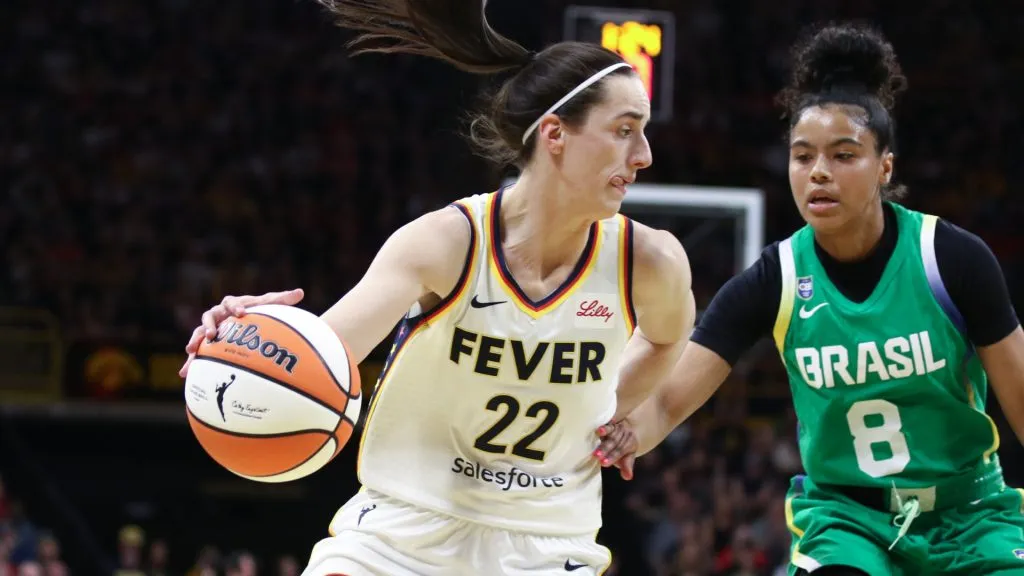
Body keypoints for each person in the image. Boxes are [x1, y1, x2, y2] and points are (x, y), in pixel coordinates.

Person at [178, 0, 697, 574]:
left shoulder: (649, 261)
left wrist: (611, 409)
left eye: (643, 133)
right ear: (554, 134)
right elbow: (324, 355)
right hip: (399, 533)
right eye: (625, 131)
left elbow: (668, 339)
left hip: (548, 544)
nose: (644, 155)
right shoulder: (445, 244)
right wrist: (252, 339)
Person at [596, 22, 1024, 576]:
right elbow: (667, 402)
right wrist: (630, 434)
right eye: (803, 156)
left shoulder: (951, 258)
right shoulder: (774, 279)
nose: (819, 171)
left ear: (884, 167)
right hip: (848, 522)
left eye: (844, 155)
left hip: (971, 513)